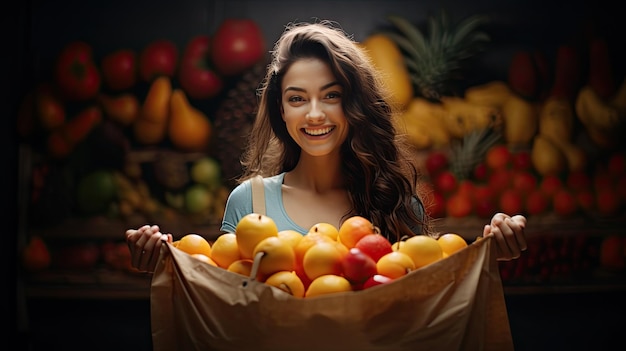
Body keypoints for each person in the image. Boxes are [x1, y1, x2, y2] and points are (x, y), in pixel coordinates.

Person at [126, 20, 527, 273]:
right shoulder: (249, 203)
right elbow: (224, 297)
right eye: (297, 98)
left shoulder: (397, 200)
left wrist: (489, 256)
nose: (314, 114)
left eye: (331, 95)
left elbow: (427, 295)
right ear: (281, 111)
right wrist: (163, 263)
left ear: (354, 105)